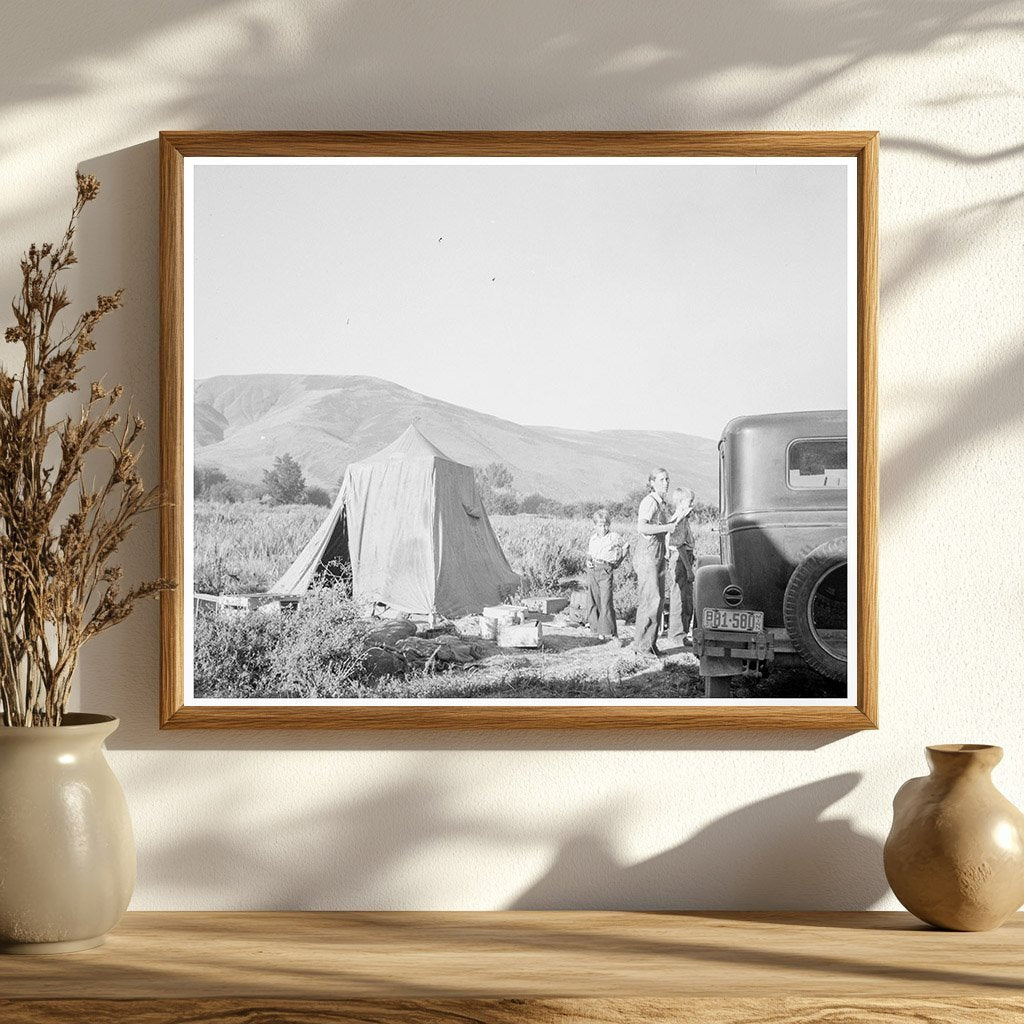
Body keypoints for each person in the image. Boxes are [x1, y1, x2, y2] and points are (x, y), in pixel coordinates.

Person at [631, 468, 679, 657]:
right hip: (647, 555)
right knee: (651, 600)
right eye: (661, 479)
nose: (665, 482)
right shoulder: (649, 502)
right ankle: (643, 647)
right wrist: (668, 527)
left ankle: (649, 644)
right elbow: (641, 526)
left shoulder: (661, 504)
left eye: (667, 479)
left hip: (657, 554)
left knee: (657, 601)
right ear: (651, 482)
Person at [585, 509, 625, 640]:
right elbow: (590, 554)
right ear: (594, 526)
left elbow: (626, 546)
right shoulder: (593, 538)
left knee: (606, 601)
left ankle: (610, 631)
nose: (603, 528)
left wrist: (618, 561)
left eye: (605, 525)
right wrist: (588, 561)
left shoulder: (613, 536)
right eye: (600, 525)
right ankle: (596, 631)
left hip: (606, 570)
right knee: (594, 599)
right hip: (593, 570)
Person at [666, 487, 697, 645]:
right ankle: (677, 634)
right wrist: (688, 568)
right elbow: (679, 546)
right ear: (681, 502)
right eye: (690, 501)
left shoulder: (683, 519)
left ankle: (681, 634)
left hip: (683, 559)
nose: (692, 504)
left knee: (685, 597)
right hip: (680, 560)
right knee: (680, 597)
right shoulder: (679, 519)